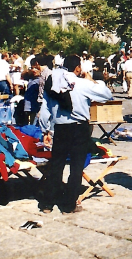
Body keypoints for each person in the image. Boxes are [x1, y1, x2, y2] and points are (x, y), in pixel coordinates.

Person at [38, 55, 113, 214]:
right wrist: (92, 79)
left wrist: (46, 130)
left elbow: (44, 110)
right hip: (79, 128)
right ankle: (68, 204)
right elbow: (107, 95)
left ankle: (47, 203)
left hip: (60, 128)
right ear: (78, 68)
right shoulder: (82, 83)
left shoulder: (54, 84)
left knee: (56, 165)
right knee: (76, 167)